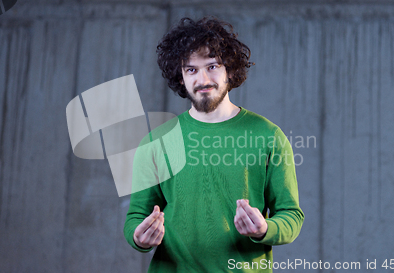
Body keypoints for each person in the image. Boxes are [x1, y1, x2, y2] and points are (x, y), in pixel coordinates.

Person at [124, 16, 304, 272]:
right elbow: (135, 218)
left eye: (212, 66)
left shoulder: (268, 135)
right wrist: (138, 237)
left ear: (229, 69)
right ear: (181, 76)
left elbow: (291, 215)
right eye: (191, 70)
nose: (202, 79)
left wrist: (265, 229)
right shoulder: (156, 142)